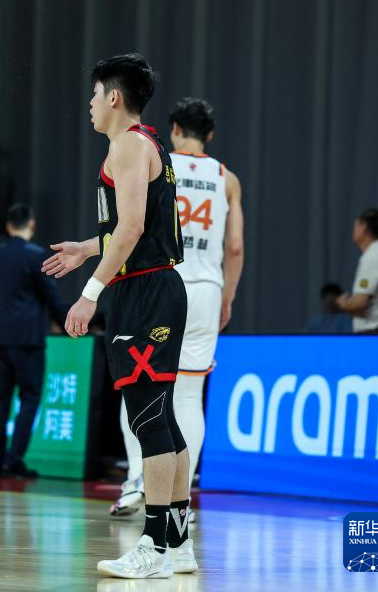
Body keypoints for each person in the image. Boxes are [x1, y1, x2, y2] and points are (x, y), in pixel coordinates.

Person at [43, 54, 194, 578]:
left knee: (149, 419)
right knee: (163, 419)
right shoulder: (147, 143)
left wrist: (89, 293)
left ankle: (153, 546)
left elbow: (130, 231)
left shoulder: (127, 145)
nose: (88, 105)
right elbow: (132, 228)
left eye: (93, 95)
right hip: (157, 287)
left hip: (144, 291)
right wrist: (88, 247)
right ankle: (176, 539)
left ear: (113, 98)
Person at [111, 97, 244, 522]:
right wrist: (228, 296)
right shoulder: (226, 178)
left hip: (158, 281)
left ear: (173, 129)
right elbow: (235, 246)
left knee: (139, 382)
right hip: (206, 287)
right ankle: (177, 497)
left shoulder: (157, 158)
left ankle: (137, 478)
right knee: (188, 393)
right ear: (210, 135)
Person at [0, 202, 67, 479]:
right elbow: (51, 296)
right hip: (28, 338)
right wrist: (69, 322)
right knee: (29, 397)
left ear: (8, 226)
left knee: (2, 397)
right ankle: (14, 459)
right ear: (31, 225)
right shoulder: (35, 255)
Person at [337, 207, 378, 333]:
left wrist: (343, 303)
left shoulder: (373, 257)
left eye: (356, 225)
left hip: (376, 335)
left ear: (364, 227)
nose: (353, 230)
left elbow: (360, 303)